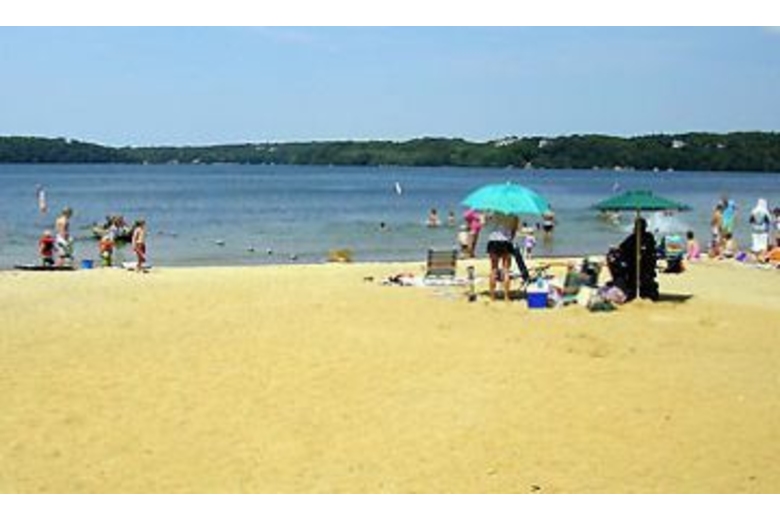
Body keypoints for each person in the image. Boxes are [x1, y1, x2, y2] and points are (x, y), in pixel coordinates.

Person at [613, 217, 658, 301]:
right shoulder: (647, 236)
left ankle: (630, 288)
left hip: (638, 265)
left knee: (623, 267)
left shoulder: (637, 237)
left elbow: (622, 247)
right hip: (646, 265)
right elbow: (623, 247)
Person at [485, 212, 519, 301]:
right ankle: (506, 297)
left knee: (493, 269)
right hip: (506, 241)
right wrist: (510, 238)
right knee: (506, 270)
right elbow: (514, 231)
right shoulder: (514, 215)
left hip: (493, 241)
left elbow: (485, 223)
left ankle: (492, 296)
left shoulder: (493, 213)